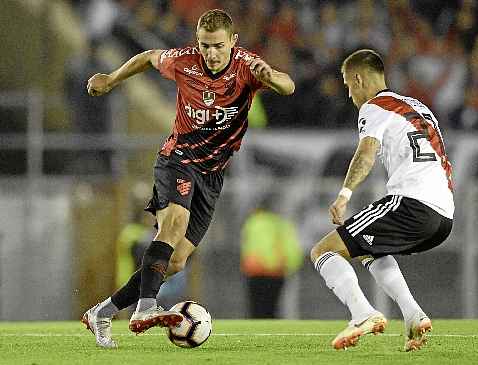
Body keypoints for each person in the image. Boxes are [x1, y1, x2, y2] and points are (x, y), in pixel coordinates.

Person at [81, 9, 295, 348]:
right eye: (204, 45)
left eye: (217, 46)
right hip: (177, 159)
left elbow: (288, 85)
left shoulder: (247, 66)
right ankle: (144, 309)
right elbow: (149, 57)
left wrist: (269, 75)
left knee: (177, 261)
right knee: (174, 223)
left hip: (212, 176)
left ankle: (103, 312)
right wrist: (111, 78)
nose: (210, 53)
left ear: (233, 42)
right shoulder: (184, 60)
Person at [310, 49, 454, 352]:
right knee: (367, 249)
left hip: (413, 202)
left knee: (323, 251)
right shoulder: (418, 106)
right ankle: (414, 314)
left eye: (349, 85)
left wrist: (343, 195)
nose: (350, 94)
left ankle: (362, 314)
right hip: (444, 216)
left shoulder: (374, 107)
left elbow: (366, 152)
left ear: (359, 79)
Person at [240, 203, 303, 318]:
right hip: (276, 272)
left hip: (256, 271)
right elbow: (291, 249)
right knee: (272, 307)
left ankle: (255, 330)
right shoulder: (282, 224)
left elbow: (248, 245)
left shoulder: (253, 222)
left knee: (256, 308)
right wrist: (289, 265)